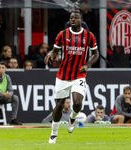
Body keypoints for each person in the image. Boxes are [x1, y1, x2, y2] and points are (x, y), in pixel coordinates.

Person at [44, 10, 99, 144]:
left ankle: (73, 118)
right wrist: (50, 54)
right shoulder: (62, 35)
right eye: (71, 18)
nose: (73, 20)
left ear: (81, 20)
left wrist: (88, 65)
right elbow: (55, 51)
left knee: (78, 103)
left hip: (79, 74)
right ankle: (54, 134)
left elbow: (95, 54)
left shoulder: (89, 36)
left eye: (76, 18)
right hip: (63, 75)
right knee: (59, 105)